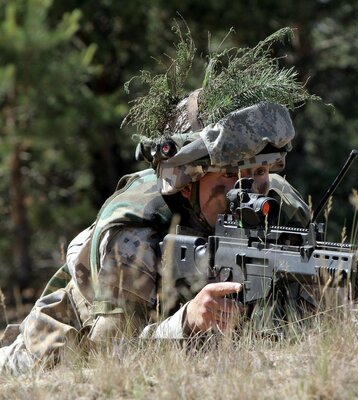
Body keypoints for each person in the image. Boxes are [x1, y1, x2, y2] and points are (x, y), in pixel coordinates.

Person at [0, 29, 316, 374]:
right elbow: (108, 359)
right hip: (64, 346)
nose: (250, 189)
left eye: (261, 170)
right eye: (229, 174)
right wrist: (185, 322)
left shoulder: (282, 207)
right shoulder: (135, 237)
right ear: (187, 183)